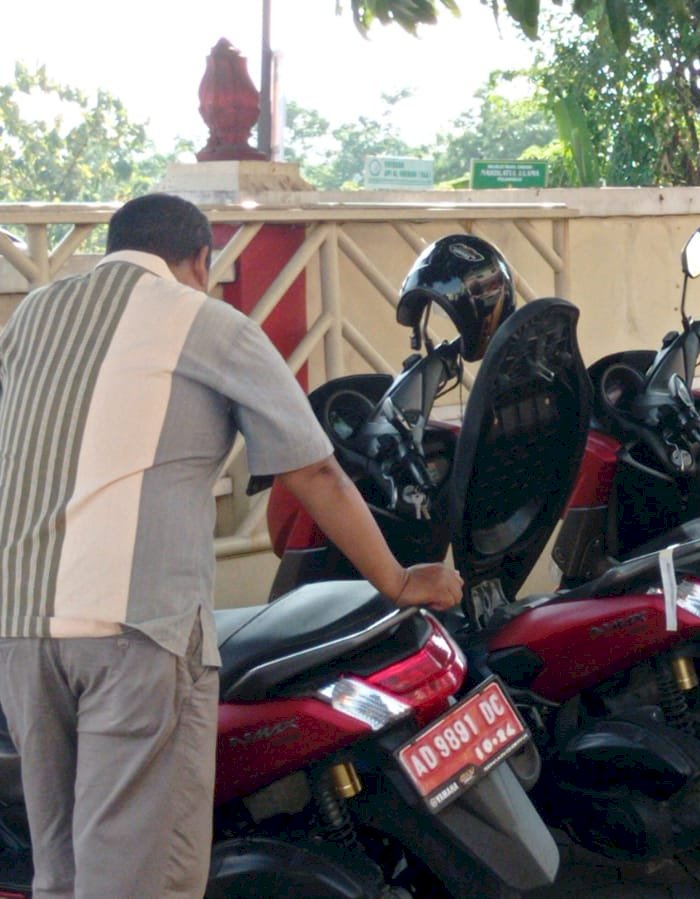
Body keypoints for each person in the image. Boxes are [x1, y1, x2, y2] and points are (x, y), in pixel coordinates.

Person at [0, 193, 463, 899]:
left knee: (61, 871)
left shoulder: (33, 313)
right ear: (199, 261)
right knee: (134, 878)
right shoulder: (203, 319)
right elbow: (313, 469)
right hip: (135, 628)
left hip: (22, 628)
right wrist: (398, 580)